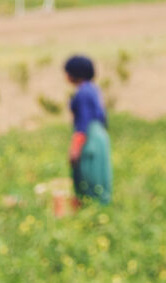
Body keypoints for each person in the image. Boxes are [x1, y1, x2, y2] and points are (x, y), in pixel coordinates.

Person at [65, 55, 112, 207]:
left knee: (88, 177)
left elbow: (82, 123)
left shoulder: (82, 93)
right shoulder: (93, 89)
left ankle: (92, 210)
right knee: (100, 175)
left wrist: (75, 149)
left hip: (90, 138)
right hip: (100, 136)